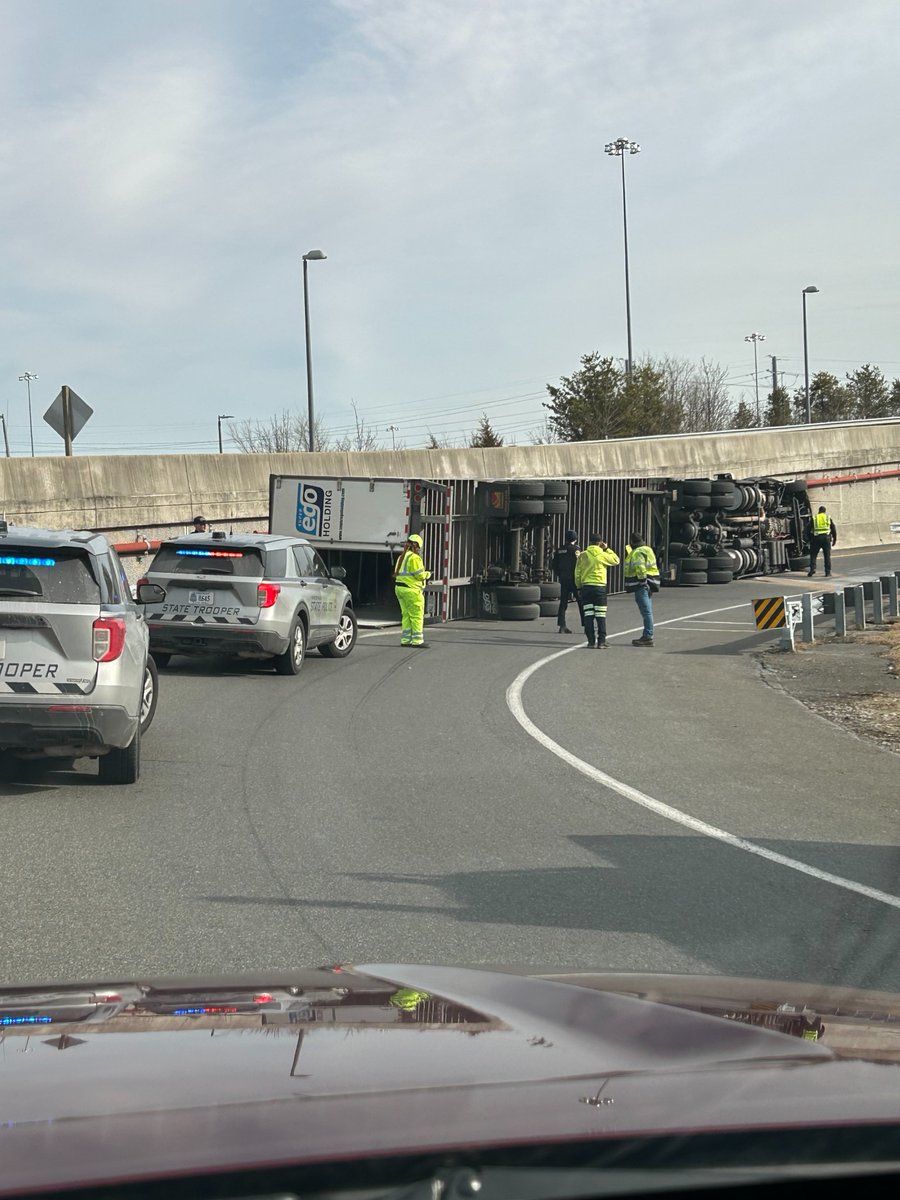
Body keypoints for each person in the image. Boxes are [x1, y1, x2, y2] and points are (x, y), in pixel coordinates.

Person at [574, 532, 620, 648]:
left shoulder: (583, 555)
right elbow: (616, 560)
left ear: (589, 542)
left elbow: (577, 573)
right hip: (599, 587)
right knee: (600, 615)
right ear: (600, 543)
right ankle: (601, 641)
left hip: (586, 587)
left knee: (588, 614)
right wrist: (607, 549)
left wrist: (579, 586)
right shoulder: (602, 554)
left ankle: (590, 641)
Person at [393, 533, 431, 647]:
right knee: (416, 616)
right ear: (416, 546)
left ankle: (405, 640)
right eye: (419, 547)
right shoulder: (414, 558)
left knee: (406, 615)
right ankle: (417, 641)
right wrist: (428, 574)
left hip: (399, 589)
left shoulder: (402, 556)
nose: (419, 550)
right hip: (411, 590)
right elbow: (419, 575)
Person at [624, 530, 660, 647]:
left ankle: (648, 637)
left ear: (632, 541)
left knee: (646, 611)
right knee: (647, 611)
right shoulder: (647, 549)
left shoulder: (637, 552)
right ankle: (647, 635)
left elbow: (640, 568)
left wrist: (642, 581)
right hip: (651, 583)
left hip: (642, 585)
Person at [551, 528, 582, 634]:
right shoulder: (576, 550)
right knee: (581, 601)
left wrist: (561, 575)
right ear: (576, 539)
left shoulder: (559, 550)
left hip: (564, 579)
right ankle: (586, 624)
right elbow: (580, 564)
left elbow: (554, 565)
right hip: (574, 579)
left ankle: (562, 625)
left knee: (563, 603)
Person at [807, 505, 837, 577]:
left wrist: (810, 538)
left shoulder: (815, 518)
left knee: (813, 555)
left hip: (816, 538)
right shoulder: (827, 518)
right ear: (824, 511)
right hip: (826, 538)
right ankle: (828, 572)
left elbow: (808, 529)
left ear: (819, 511)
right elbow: (833, 529)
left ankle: (812, 569)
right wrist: (834, 539)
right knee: (827, 556)